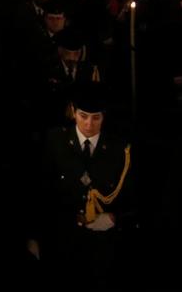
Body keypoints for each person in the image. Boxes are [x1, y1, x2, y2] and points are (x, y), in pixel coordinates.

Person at [30, 84, 133, 287]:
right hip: (64, 243)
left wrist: (114, 217)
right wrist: (34, 236)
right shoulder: (55, 141)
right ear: (73, 112)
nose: (89, 124)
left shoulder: (119, 148)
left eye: (96, 118)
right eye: (83, 116)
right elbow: (40, 192)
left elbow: (133, 195)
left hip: (104, 248)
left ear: (104, 117)